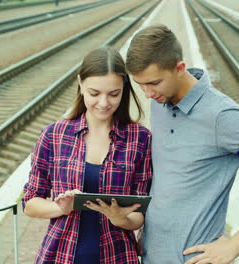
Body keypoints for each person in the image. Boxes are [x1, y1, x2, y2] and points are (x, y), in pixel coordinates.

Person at [125, 24, 239, 264]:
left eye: (154, 82)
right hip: (151, 254)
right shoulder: (160, 101)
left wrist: (235, 244)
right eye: (140, 84)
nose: (147, 93)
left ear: (179, 68)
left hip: (193, 258)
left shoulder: (223, 116)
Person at [22, 46, 152, 264]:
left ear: (124, 89)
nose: (103, 103)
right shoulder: (54, 135)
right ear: (80, 83)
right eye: (94, 93)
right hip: (60, 256)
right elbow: (30, 203)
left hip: (117, 256)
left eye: (113, 94)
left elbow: (138, 215)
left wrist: (121, 219)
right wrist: (59, 207)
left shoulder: (140, 139)